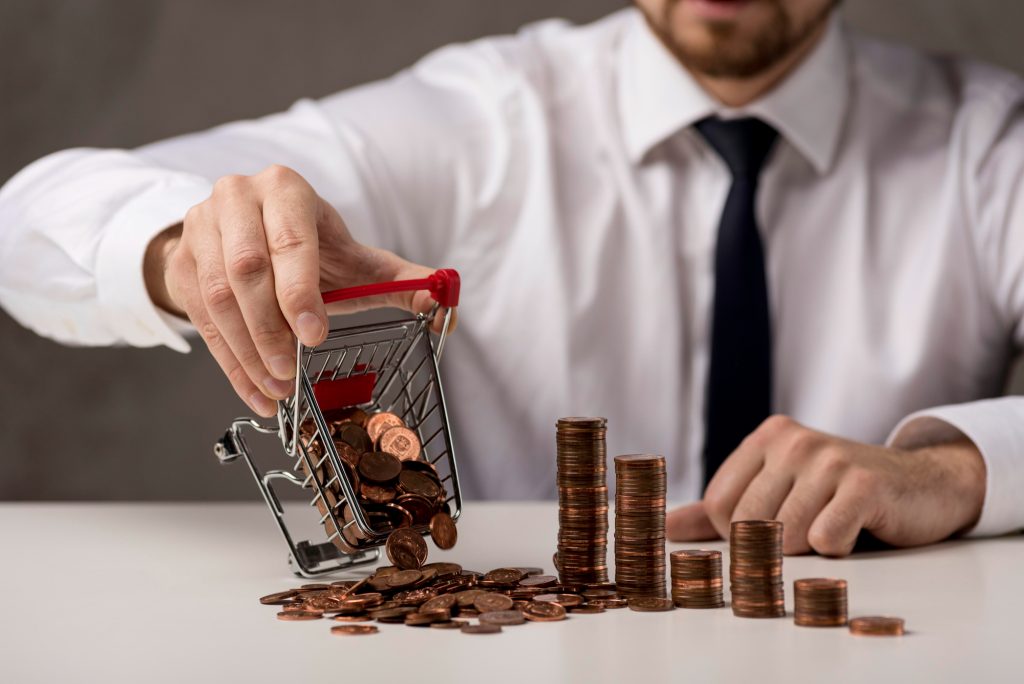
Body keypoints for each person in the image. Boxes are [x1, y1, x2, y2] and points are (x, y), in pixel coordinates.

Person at [1, 0, 1023, 557]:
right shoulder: (484, 119)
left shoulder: (987, 148)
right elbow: (29, 219)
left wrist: (956, 472)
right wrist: (181, 246)